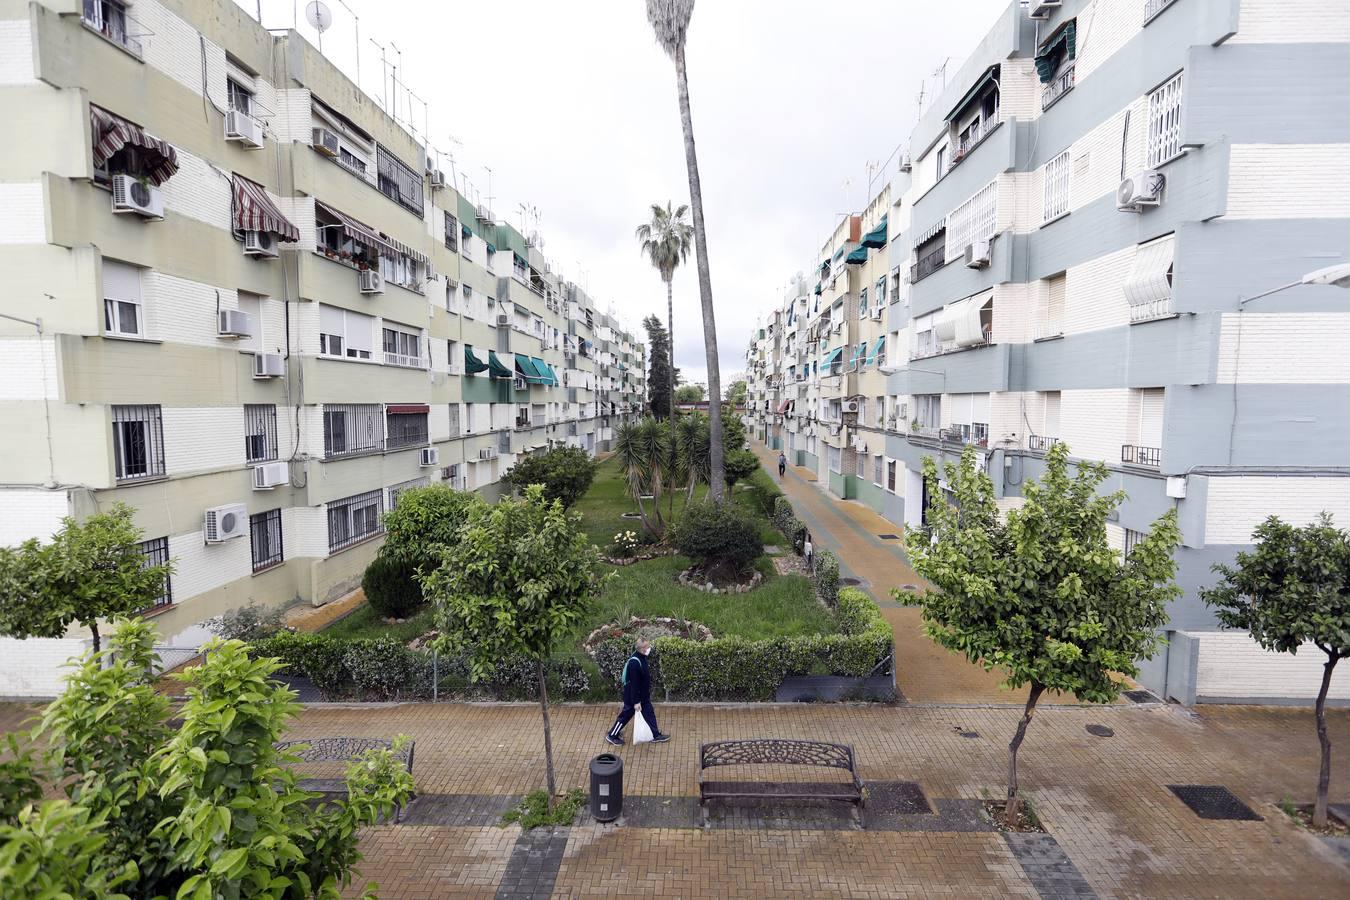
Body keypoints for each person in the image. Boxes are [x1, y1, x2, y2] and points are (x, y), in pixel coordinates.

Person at [605, 639, 668, 745]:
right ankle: (612, 735)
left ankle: (656, 735)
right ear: (642, 649)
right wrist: (636, 702)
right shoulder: (635, 663)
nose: (649, 648)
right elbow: (634, 685)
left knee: (649, 713)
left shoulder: (641, 657)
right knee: (625, 716)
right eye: (647, 646)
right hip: (634, 697)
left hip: (643, 696)